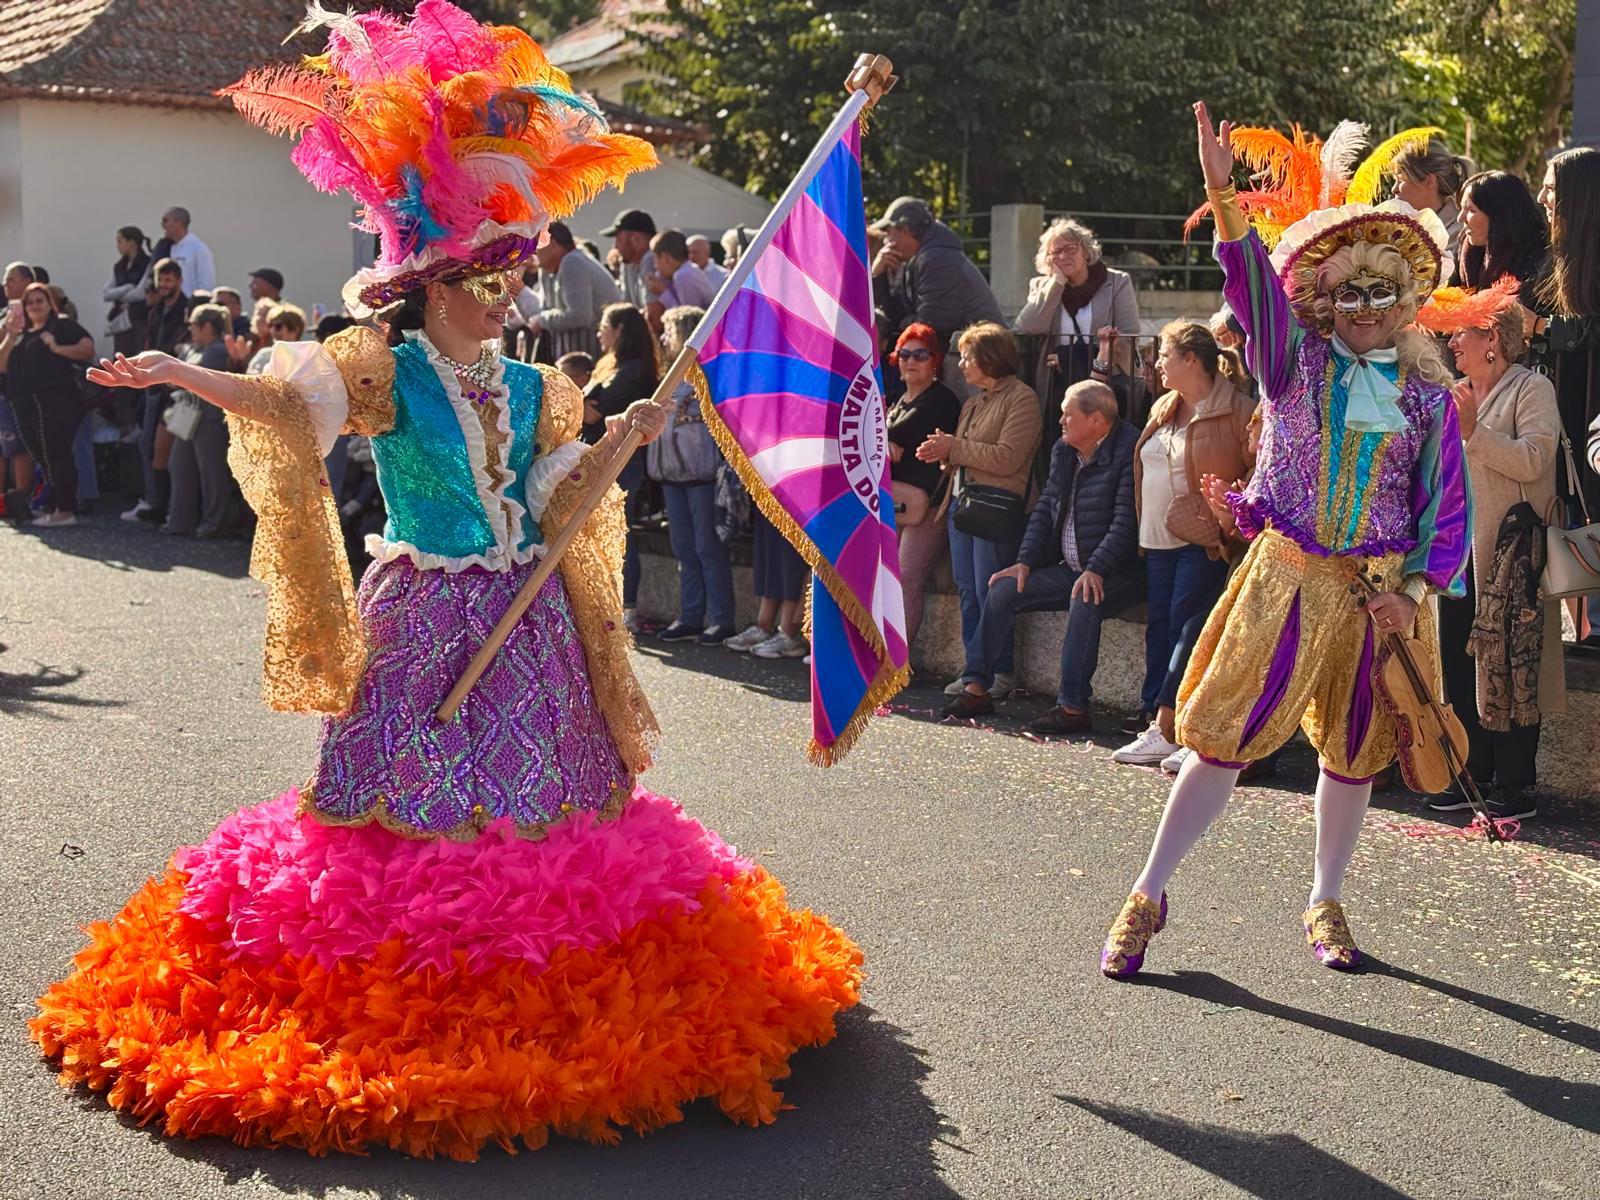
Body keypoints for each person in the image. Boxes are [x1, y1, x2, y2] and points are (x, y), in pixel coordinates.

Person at [44, 3, 857, 1159]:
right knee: (405, 794)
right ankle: (410, 984)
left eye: (516, 278)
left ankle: (542, 976)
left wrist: (617, 439)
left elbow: (561, 497)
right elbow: (288, 410)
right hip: (425, 616)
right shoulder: (380, 366)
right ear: (434, 281)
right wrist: (185, 368)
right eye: (491, 278)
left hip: (527, 626)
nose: (509, 296)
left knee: (545, 802)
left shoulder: (534, 389)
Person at [1101, 104, 1470, 981]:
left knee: (1352, 755)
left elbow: (1444, 514)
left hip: (1380, 597)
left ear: (1408, 302)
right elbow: (1247, 285)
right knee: (1222, 739)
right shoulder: (1290, 361)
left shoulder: (1424, 401)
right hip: (1287, 579)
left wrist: (1411, 595)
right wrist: (1221, 191)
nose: (1370, 311)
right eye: (1354, 294)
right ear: (1327, 298)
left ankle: (1326, 898)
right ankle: (1149, 891)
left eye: (1386, 295)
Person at [1416, 288, 1562, 821]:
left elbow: (1534, 459)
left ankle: (1515, 784)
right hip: (1457, 553)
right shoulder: (1456, 392)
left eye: (1464, 331)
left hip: (1512, 556)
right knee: (1459, 661)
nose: (1453, 341)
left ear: (1493, 339)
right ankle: (1471, 774)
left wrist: (1475, 433)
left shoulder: (1532, 388)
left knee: (1514, 662)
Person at [942, 377, 1138, 732]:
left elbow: (1126, 521)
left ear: (1096, 420)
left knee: (1085, 599)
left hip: (1116, 572)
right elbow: (1047, 507)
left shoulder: (1128, 449)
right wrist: (1025, 562)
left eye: (1068, 415)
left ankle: (1073, 708)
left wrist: (1095, 569)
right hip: (1071, 568)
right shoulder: (1064, 449)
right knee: (1002, 589)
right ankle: (976, 687)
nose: (1061, 421)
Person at [1112, 320, 1255, 766]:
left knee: (1185, 627)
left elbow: (1258, 469)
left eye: (1165, 355)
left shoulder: (1237, 410)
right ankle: (1155, 719)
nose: (1157, 364)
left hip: (1205, 539)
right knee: (1161, 625)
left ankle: (1173, 724)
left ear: (1191, 360)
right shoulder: (1164, 406)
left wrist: (1228, 510)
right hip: (1155, 537)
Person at [916, 322, 1043, 707]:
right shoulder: (973, 402)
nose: (963, 364)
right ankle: (976, 668)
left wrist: (954, 447)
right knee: (969, 591)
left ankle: (997, 672)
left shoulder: (1022, 399)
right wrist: (941, 453)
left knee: (992, 591)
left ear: (990, 358)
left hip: (995, 507)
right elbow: (964, 454)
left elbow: (1007, 458)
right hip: (962, 504)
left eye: (969, 357)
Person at [648, 305, 735, 644]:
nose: (665, 338)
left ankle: (720, 618)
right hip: (672, 474)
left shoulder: (708, 376)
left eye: (670, 331)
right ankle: (690, 615)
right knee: (683, 548)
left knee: (707, 547)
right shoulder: (671, 376)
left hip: (702, 475)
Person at [1014, 218, 1142, 413]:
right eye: (1056, 252)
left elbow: (1129, 335)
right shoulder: (1041, 286)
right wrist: (1057, 282)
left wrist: (1071, 358)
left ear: (1085, 250)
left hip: (1105, 381)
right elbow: (1027, 327)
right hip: (1056, 384)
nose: (1063, 256)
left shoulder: (1117, 282)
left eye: (1071, 249)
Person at [1534, 148, 1600, 526]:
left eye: (1551, 188)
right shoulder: (1564, 254)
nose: (1542, 198)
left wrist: (1542, 328)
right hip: (1575, 413)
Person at [886, 323, 961, 653]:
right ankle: (881, 655)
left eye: (920, 354)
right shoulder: (897, 400)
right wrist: (884, 441)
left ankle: (895, 663)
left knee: (906, 579)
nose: (911, 360)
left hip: (928, 505)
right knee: (888, 580)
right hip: (895, 501)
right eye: (905, 354)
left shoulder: (942, 400)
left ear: (935, 361)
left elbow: (916, 440)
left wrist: (887, 440)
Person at [585, 302, 660, 630]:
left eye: (604, 324)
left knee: (621, 532)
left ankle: (627, 605)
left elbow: (596, 411)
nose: (599, 331)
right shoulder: (608, 364)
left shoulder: (635, 369)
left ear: (620, 331)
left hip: (624, 462)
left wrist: (584, 404)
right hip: (601, 457)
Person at [0, 283, 95, 526]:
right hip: (23, 402)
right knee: (42, 457)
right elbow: (2, 366)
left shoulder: (60, 325)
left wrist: (56, 347)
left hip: (54, 400)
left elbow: (87, 349)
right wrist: (10, 335)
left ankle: (65, 509)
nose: (35, 306)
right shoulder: (22, 334)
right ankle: (54, 506)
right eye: (30, 302)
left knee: (56, 454)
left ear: (49, 303)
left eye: (39, 301)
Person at [870, 197, 1003, 357]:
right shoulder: (918, 259)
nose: (886, 240)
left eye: (888, 232)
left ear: (905, 230)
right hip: (966, 355)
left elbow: (929, 326)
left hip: (983, 358)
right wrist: (877, 275)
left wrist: (904, 321)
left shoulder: (937, 260)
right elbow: (891, 316)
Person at [122, 258, 189, 525]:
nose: (164, 285)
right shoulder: (156, 310)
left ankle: (160, 505)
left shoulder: (185, 310)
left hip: (171, 389)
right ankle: (154, 502)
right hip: (151, 387)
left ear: (179, 281)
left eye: (169, 280)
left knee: (164, 452)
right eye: (161, 279)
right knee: (147, 446)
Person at [161, 303, 234, 538]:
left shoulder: (217, 351)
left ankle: (213, 524)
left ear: (207, 326)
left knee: (211, 473)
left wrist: (178, 373)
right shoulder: (195, 348)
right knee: (179, 466)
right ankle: (179, 521)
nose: (190, 330)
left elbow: (189, 376)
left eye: (193, 325)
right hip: (188, 415)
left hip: (209, 419)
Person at [526, 220, 623, 361]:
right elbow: (543, 310)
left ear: (552, 243)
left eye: (536, 244)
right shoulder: (548, 269)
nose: (532, 251)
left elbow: (580, 317)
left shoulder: (573, 263)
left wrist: (542, 320)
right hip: (575, 361)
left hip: (593, 360)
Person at [1391, 138, 1473, 282]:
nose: (1394, 189)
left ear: (1430, 181)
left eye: (1401, 180)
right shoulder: (1396, 227)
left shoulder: (1460, 233)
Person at [1457, 171, 1548, 293]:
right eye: (1461, 208)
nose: (1460, 218)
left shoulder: (1538, 261)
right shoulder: (1468, 248)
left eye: (1470, 210)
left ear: (1499, 216)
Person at [103, 226, 151, 358]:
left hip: (139, 320)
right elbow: (106, 294)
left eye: (120, 241)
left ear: (131, 243)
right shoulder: (119, 266)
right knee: (121, 357)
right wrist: (127, 288)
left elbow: (140, 293)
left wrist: (119, 295)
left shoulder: (148, 263)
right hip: (121, 322)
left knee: (138, 356)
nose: (117, 245)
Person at [600, 208, 658, 310]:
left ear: (636, 238)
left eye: (618, 240)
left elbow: (652, 313)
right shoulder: (628, 264)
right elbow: (626, 305)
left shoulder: (651, 260)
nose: (615, 247)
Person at [160, 206, 215, 295]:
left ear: (178, 222)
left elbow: (206, 284)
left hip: (189, 304)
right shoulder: (169, 248)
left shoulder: (198, 248)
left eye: (165, 220)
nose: (163, 225)